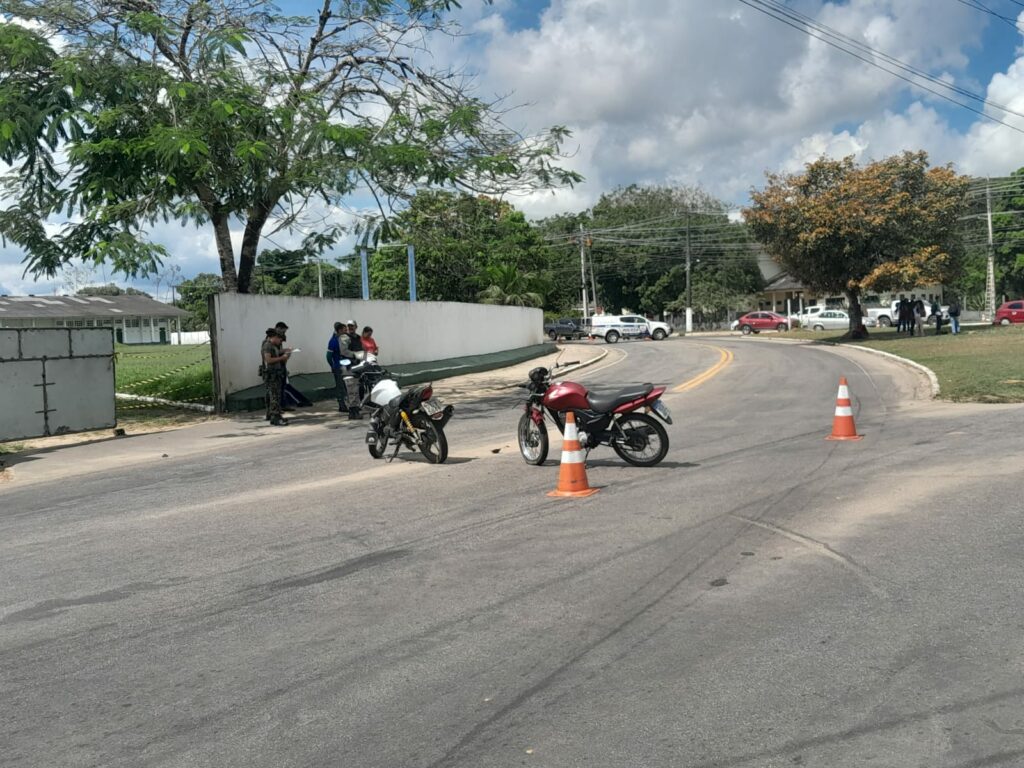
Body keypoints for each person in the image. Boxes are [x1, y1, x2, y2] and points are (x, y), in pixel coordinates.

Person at [262, 328, 291, 426]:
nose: (280, 341)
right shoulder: (267, 346)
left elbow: (277, 352)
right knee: (274, 396)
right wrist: (282, 358)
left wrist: (286, 352)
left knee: (277, 396)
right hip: (271, 374)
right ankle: (274, 417)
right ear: (274, 337)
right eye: (279, 339)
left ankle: (277, 415)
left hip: (276, 373)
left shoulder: (273, 346)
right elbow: (268, 360)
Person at [327, 321, 353, 413]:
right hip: (339, 366)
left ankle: (349, 404)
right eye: (344, 330)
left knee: (348, 386)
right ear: (339, 330)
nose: (346, 331)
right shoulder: (333, 341)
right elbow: (328, 356)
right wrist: (333, 366)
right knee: (340, 386)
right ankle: (342, 405)